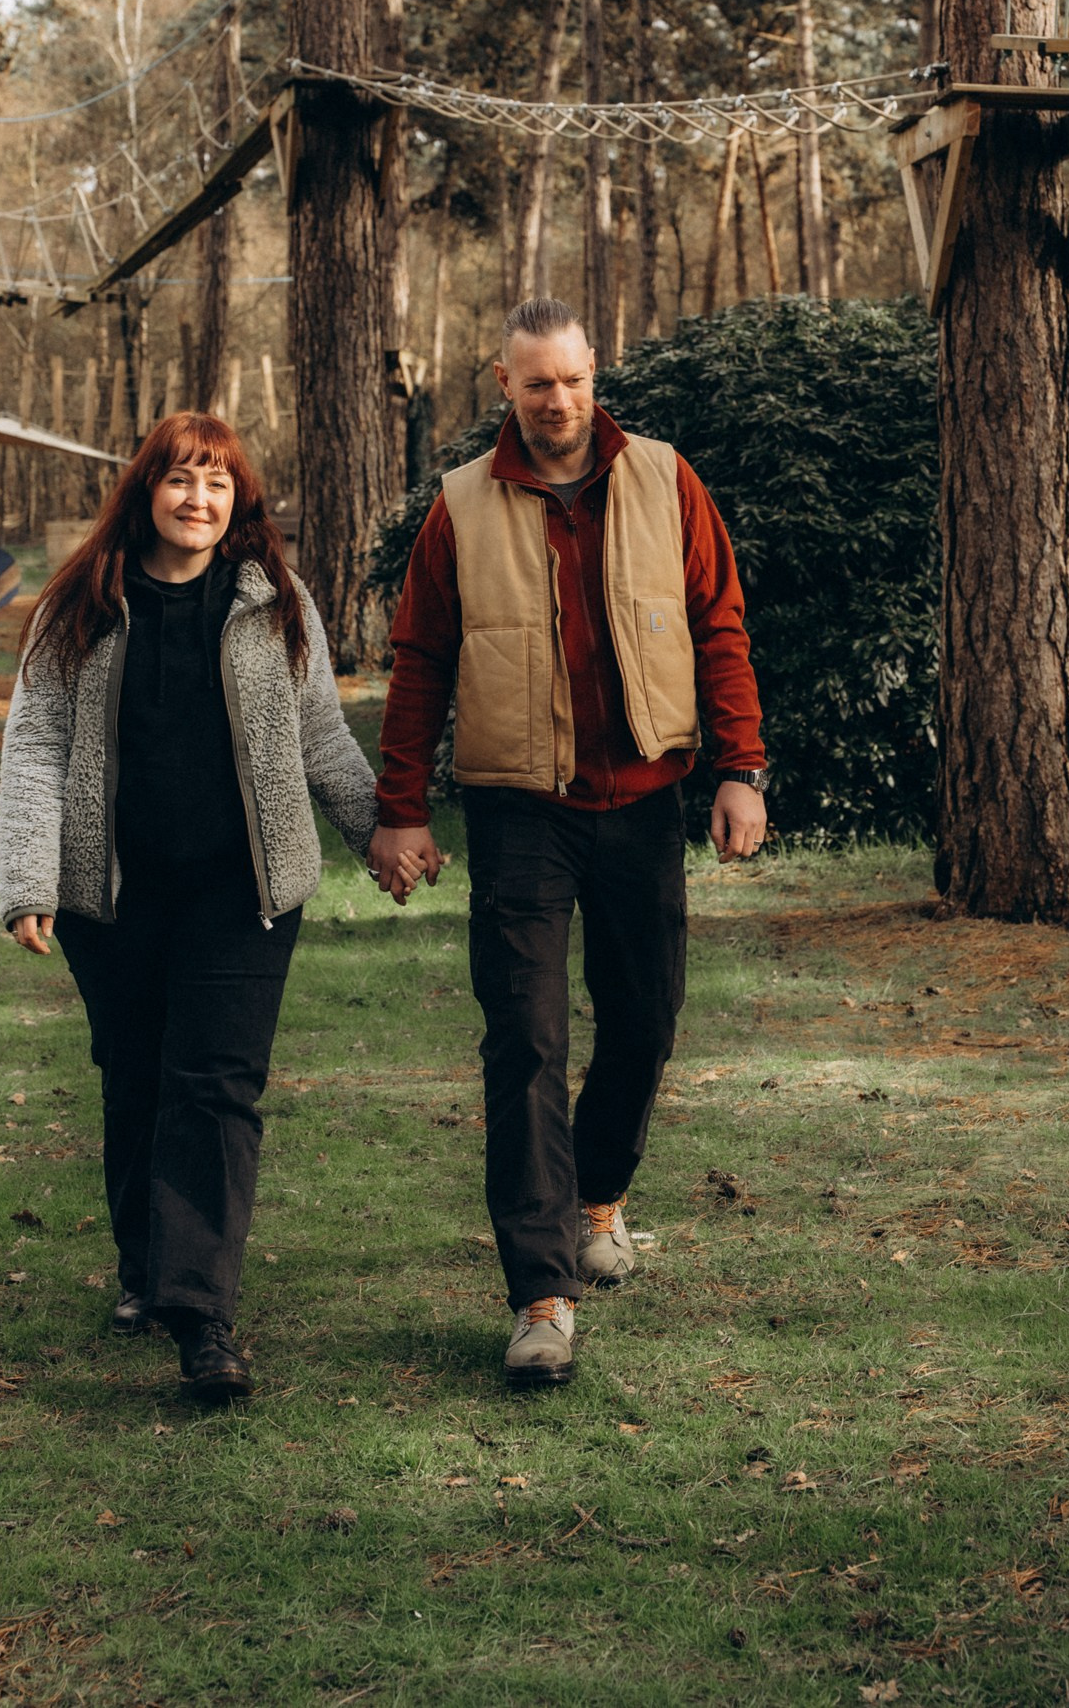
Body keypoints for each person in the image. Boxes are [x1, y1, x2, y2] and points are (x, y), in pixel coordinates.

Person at [369, 297, 768, 1388]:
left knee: (645, 1020)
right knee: (526, 1042)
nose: (558, 401)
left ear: (598, 375)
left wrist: (740, 769)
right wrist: (401, 807)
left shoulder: (665, 479)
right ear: (504, 383)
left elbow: (718, 624)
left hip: (644, 801)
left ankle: (599, 1199)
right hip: (519, 813)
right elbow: (420, 661)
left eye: (574, 380)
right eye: (537, 383)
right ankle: (540, 1296)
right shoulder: (461, 504)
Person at [0, 413, 377, 1402]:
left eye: (216, 482)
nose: (196, 498)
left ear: (238, 499)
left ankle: (202, 1316)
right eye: (179, 479)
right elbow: (36, 744)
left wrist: (381, 833)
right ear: (146, 491)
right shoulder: (81, 601)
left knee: (214, 1086)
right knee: (136, 1079)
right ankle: (144, 1269)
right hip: (112, 893)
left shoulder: (275, 601)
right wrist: (29, 880)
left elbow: (321, 739)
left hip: (242, 891)